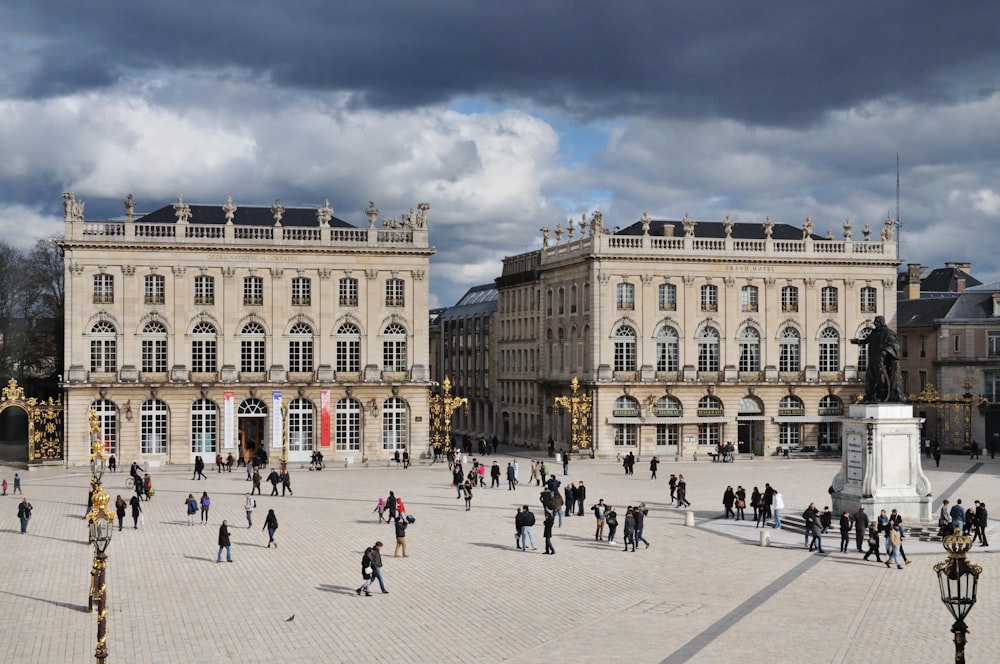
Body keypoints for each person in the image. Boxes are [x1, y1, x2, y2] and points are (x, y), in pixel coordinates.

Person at [850, 315, 902, 403]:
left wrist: (884, 352)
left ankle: (881, 395)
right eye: (875, 321)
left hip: (883, 361)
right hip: (873, 359)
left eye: (877, 321)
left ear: (881, 322)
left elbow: (894, 346)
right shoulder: (874, 332)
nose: (875, 323)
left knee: (881, 378)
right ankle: (871, 395)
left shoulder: (888, 333)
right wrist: (858, 341)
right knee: (870, 377)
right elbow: (867, 340)